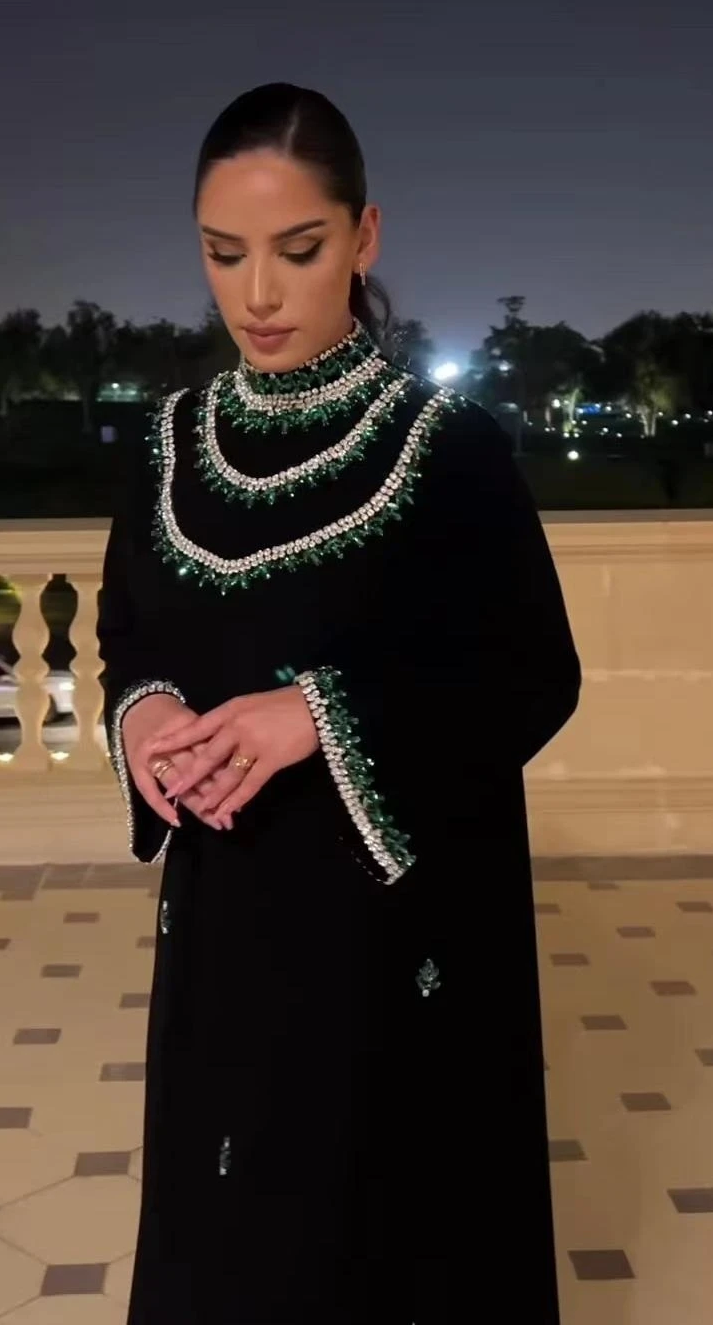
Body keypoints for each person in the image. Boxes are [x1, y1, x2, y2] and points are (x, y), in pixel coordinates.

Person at [97, 82, 581, 1325]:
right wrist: (146, 718)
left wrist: (315, 716)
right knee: (229, 1238)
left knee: (370, 1239)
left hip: (388, 947)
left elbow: (530, 669)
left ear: (364, 239)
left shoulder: (446, 447)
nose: (258, 294)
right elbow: (132, 637)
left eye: (297, 250)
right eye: (225, 254)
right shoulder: (168, 447)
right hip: (224, 929)